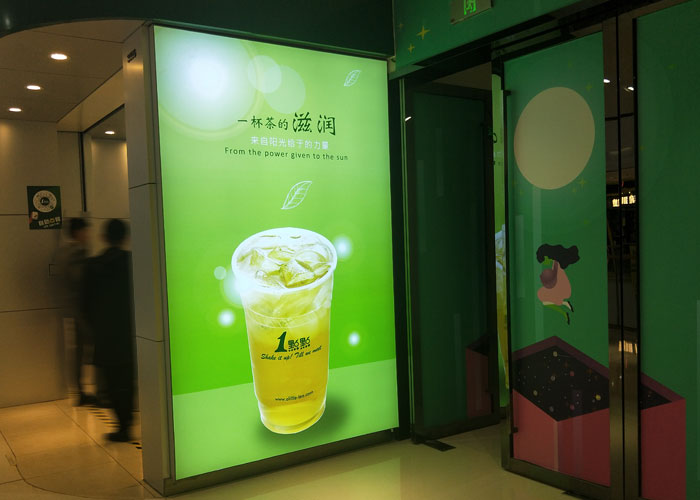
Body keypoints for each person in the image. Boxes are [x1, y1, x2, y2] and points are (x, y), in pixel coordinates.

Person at [83, 219, 135, 442]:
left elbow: (85, 303)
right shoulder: (133, 262)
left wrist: (94, 328)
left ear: (104, 237)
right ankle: (127, 423)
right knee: (128, 380)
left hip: (105, 334)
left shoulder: (93, 265)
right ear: (125, 237)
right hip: (129, 333)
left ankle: (121, 425)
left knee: (111, 382)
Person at [54, 217, 95, 405]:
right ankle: (81, 392)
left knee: (77, 351)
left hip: (70, 308)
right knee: (81, 351)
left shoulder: (62, 252)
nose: (88, 235)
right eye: (86, 231)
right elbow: (80, 281)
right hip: (79, 309)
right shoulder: (77, 253)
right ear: (78, 232)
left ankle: (78, 391)